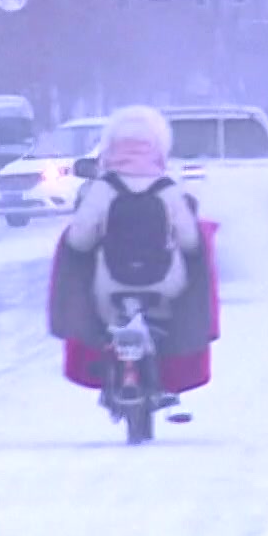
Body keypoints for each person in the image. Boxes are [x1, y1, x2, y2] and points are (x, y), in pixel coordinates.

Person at [63, 105, 204, 409]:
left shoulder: (103, 189)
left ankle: (109, 369)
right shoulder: (168, 189)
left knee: (104, 318)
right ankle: (169, 376)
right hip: (165, 285)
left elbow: (78, 240)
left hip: (110, 287)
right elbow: (191, 241)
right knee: (174, 315)